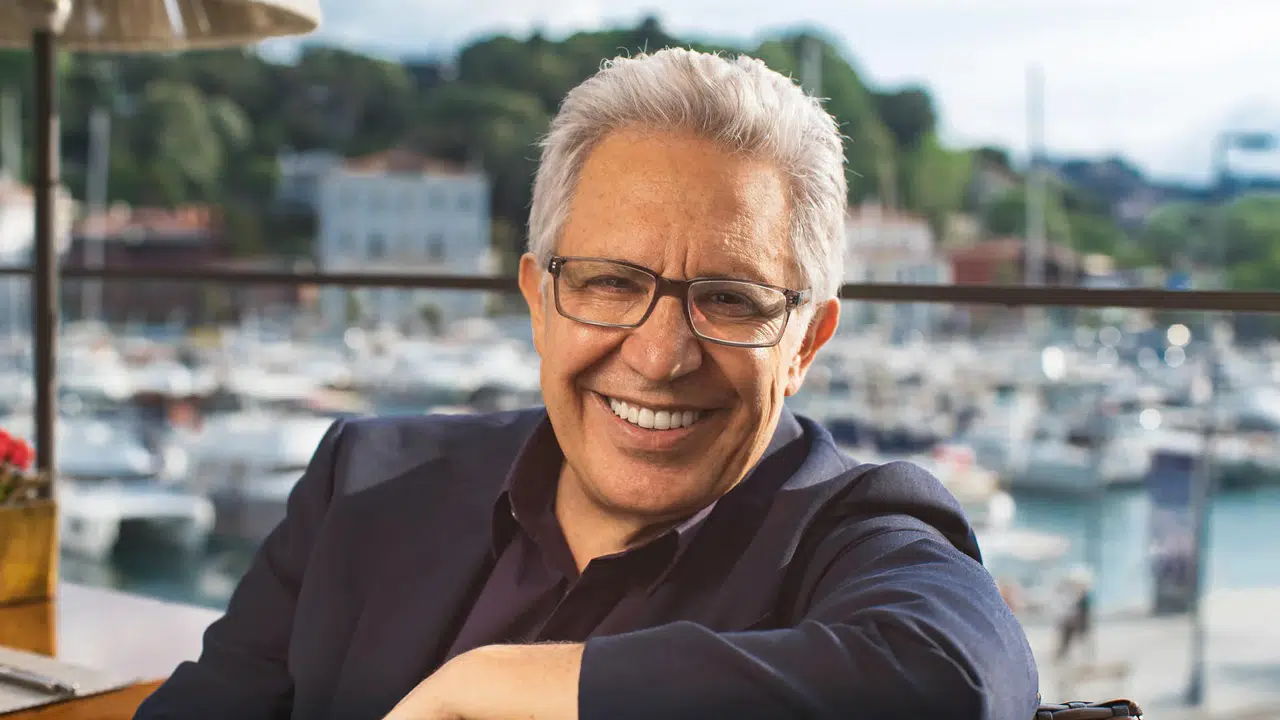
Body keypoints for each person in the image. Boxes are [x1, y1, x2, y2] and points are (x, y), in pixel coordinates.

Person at [136, 48, 1039, 720]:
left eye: (730, 299)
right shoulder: (364, 478)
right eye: (610, 283)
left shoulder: (851, 532)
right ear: (539, 301)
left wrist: (493, 685)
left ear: (805, 342)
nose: (661, 355)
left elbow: (959, 682)